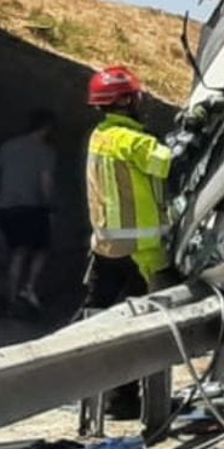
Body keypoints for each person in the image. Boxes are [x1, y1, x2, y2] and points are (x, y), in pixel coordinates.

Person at [84, 65, 178, 304]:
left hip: (106, 244)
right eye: (137, 96)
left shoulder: (100, 135)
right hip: (143, 249)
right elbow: (171, 163)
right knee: (159, 312)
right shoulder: (132, 141)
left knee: (94, 310)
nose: (141, 101)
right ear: (125, 101)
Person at [0, 108, 57, 314]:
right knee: (42, 249)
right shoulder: (46, 151)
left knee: (17, 252)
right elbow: (46, 182)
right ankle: (28, 288)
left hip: (5, 207)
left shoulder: (8, 145)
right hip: (32, 207)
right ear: (47, 128)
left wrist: (7, 189)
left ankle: (11, 298)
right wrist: (50, 205)